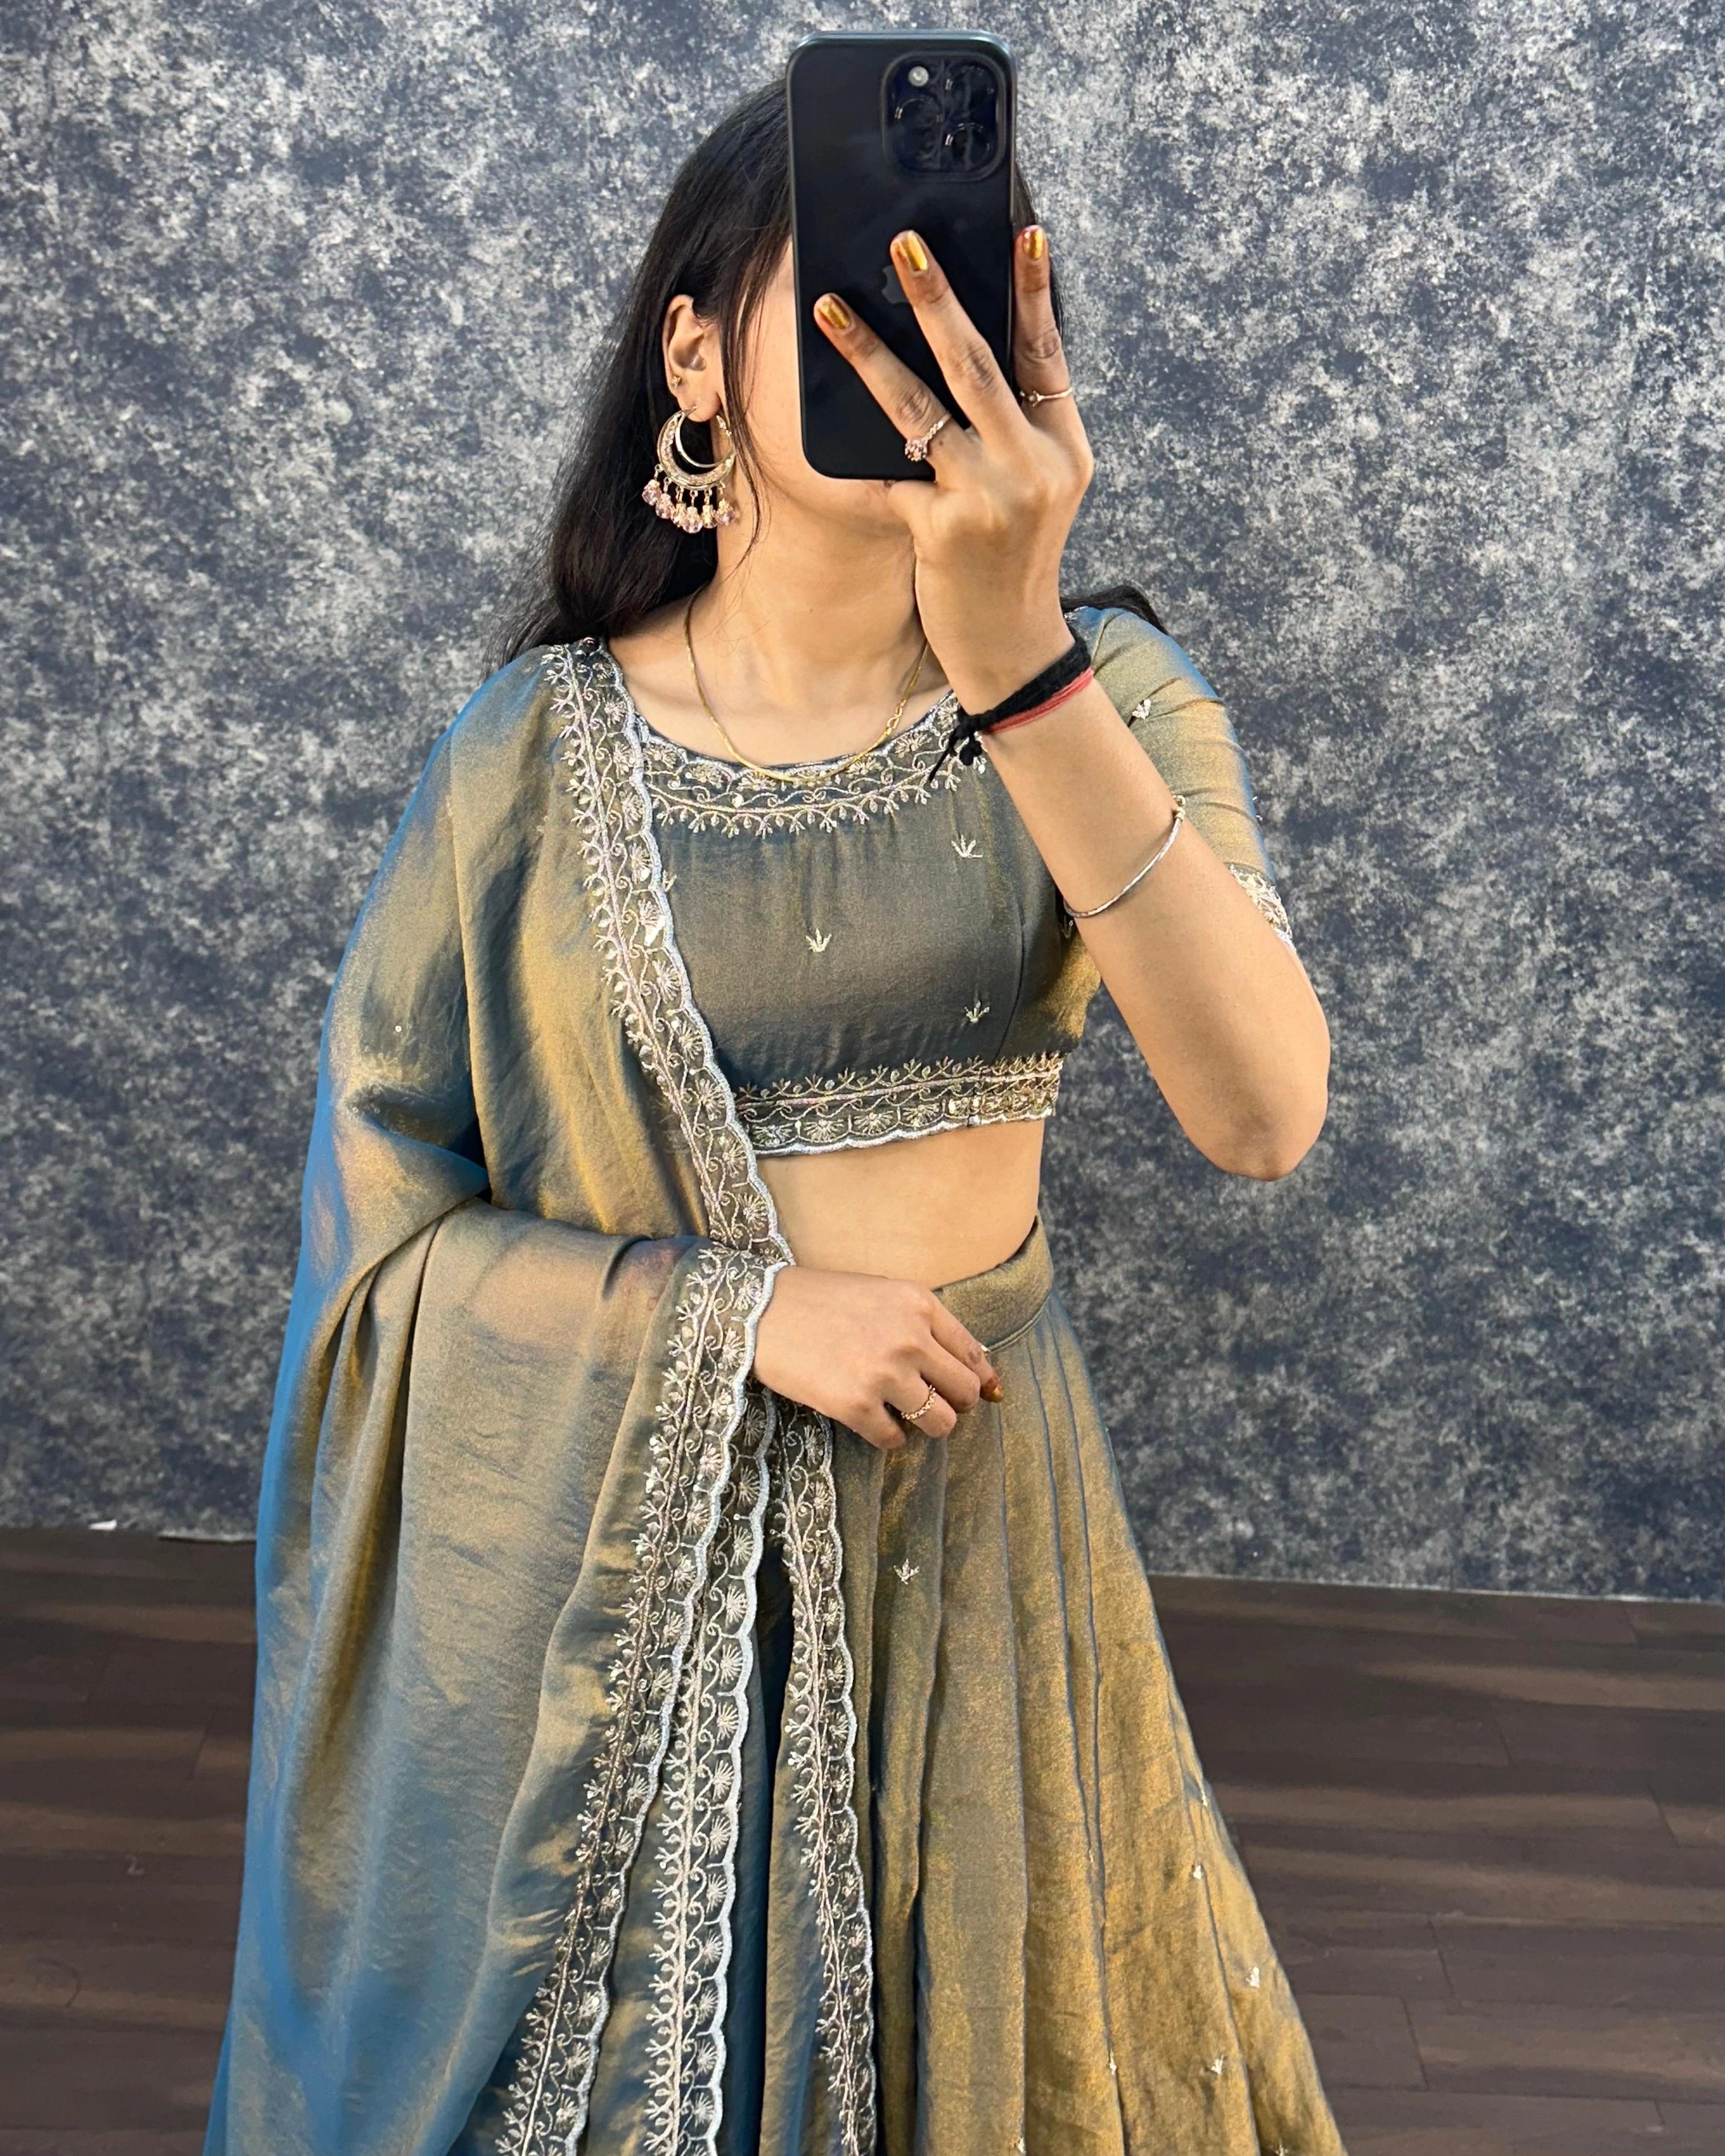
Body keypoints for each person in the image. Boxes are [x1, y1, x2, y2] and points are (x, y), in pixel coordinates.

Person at [204, 72, 1344, 2156]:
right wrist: (733, 1315)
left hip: (978, 1546)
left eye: (948, 298)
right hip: (621, 1605)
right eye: (840, 296)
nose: (901, 344)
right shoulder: (527, 761)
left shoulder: (1106, 696)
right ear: (694, 356)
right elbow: (384, 1253)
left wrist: (1016, 663)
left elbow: (1264, 1111)